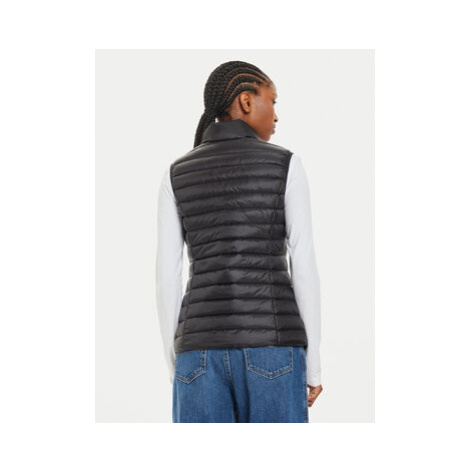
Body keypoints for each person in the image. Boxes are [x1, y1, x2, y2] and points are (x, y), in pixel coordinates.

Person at [156, 60, 323, 423]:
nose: (276, 115)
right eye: (272, 101)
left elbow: (167, 276)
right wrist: (314, 366)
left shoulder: (176, 174)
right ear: (247, 101)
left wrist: (176, 360)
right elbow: (303, 264)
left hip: (197, 354)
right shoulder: (286, 165)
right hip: (274, 350)